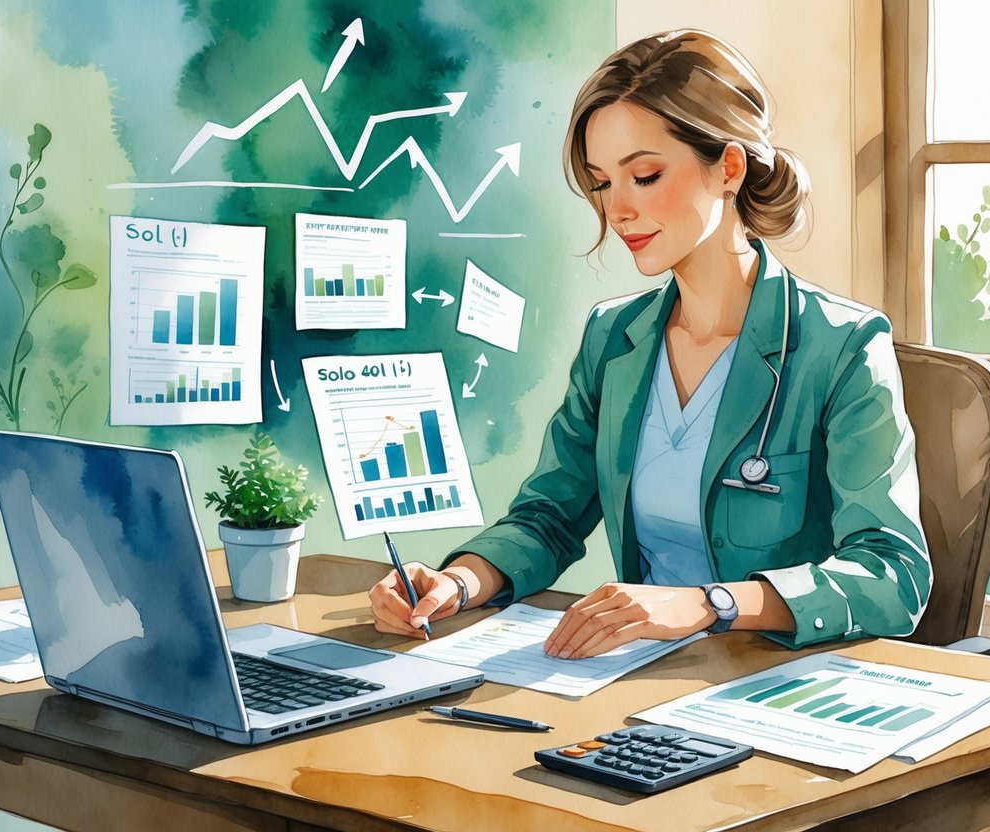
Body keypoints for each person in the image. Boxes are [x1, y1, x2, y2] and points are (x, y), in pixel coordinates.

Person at [369, 29, 930, 658]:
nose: (619, 210)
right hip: (635, 674)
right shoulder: (614, 339)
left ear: (729, 167)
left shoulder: (843, 347)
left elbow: (892, 576)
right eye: (602, 183)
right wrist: (457, 582)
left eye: (644, 175)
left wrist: (706, 605)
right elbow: (548, 516)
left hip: (776, 678)